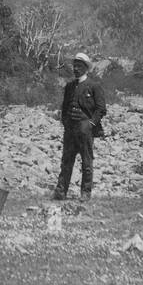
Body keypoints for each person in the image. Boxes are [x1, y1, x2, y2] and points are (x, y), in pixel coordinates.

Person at [52, 52, 106, 201]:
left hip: (85, 130)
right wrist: (65, 123)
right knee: (66, 161)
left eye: (79, 66)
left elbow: (101, 109)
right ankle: (61, 191)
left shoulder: (94, 86)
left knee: (87, 162)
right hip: (70, 130)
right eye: (74, 65)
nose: (76, 68)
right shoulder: (69, 86)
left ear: (86, 68)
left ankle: (85, 193)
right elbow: (65, 107)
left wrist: (90, 124)